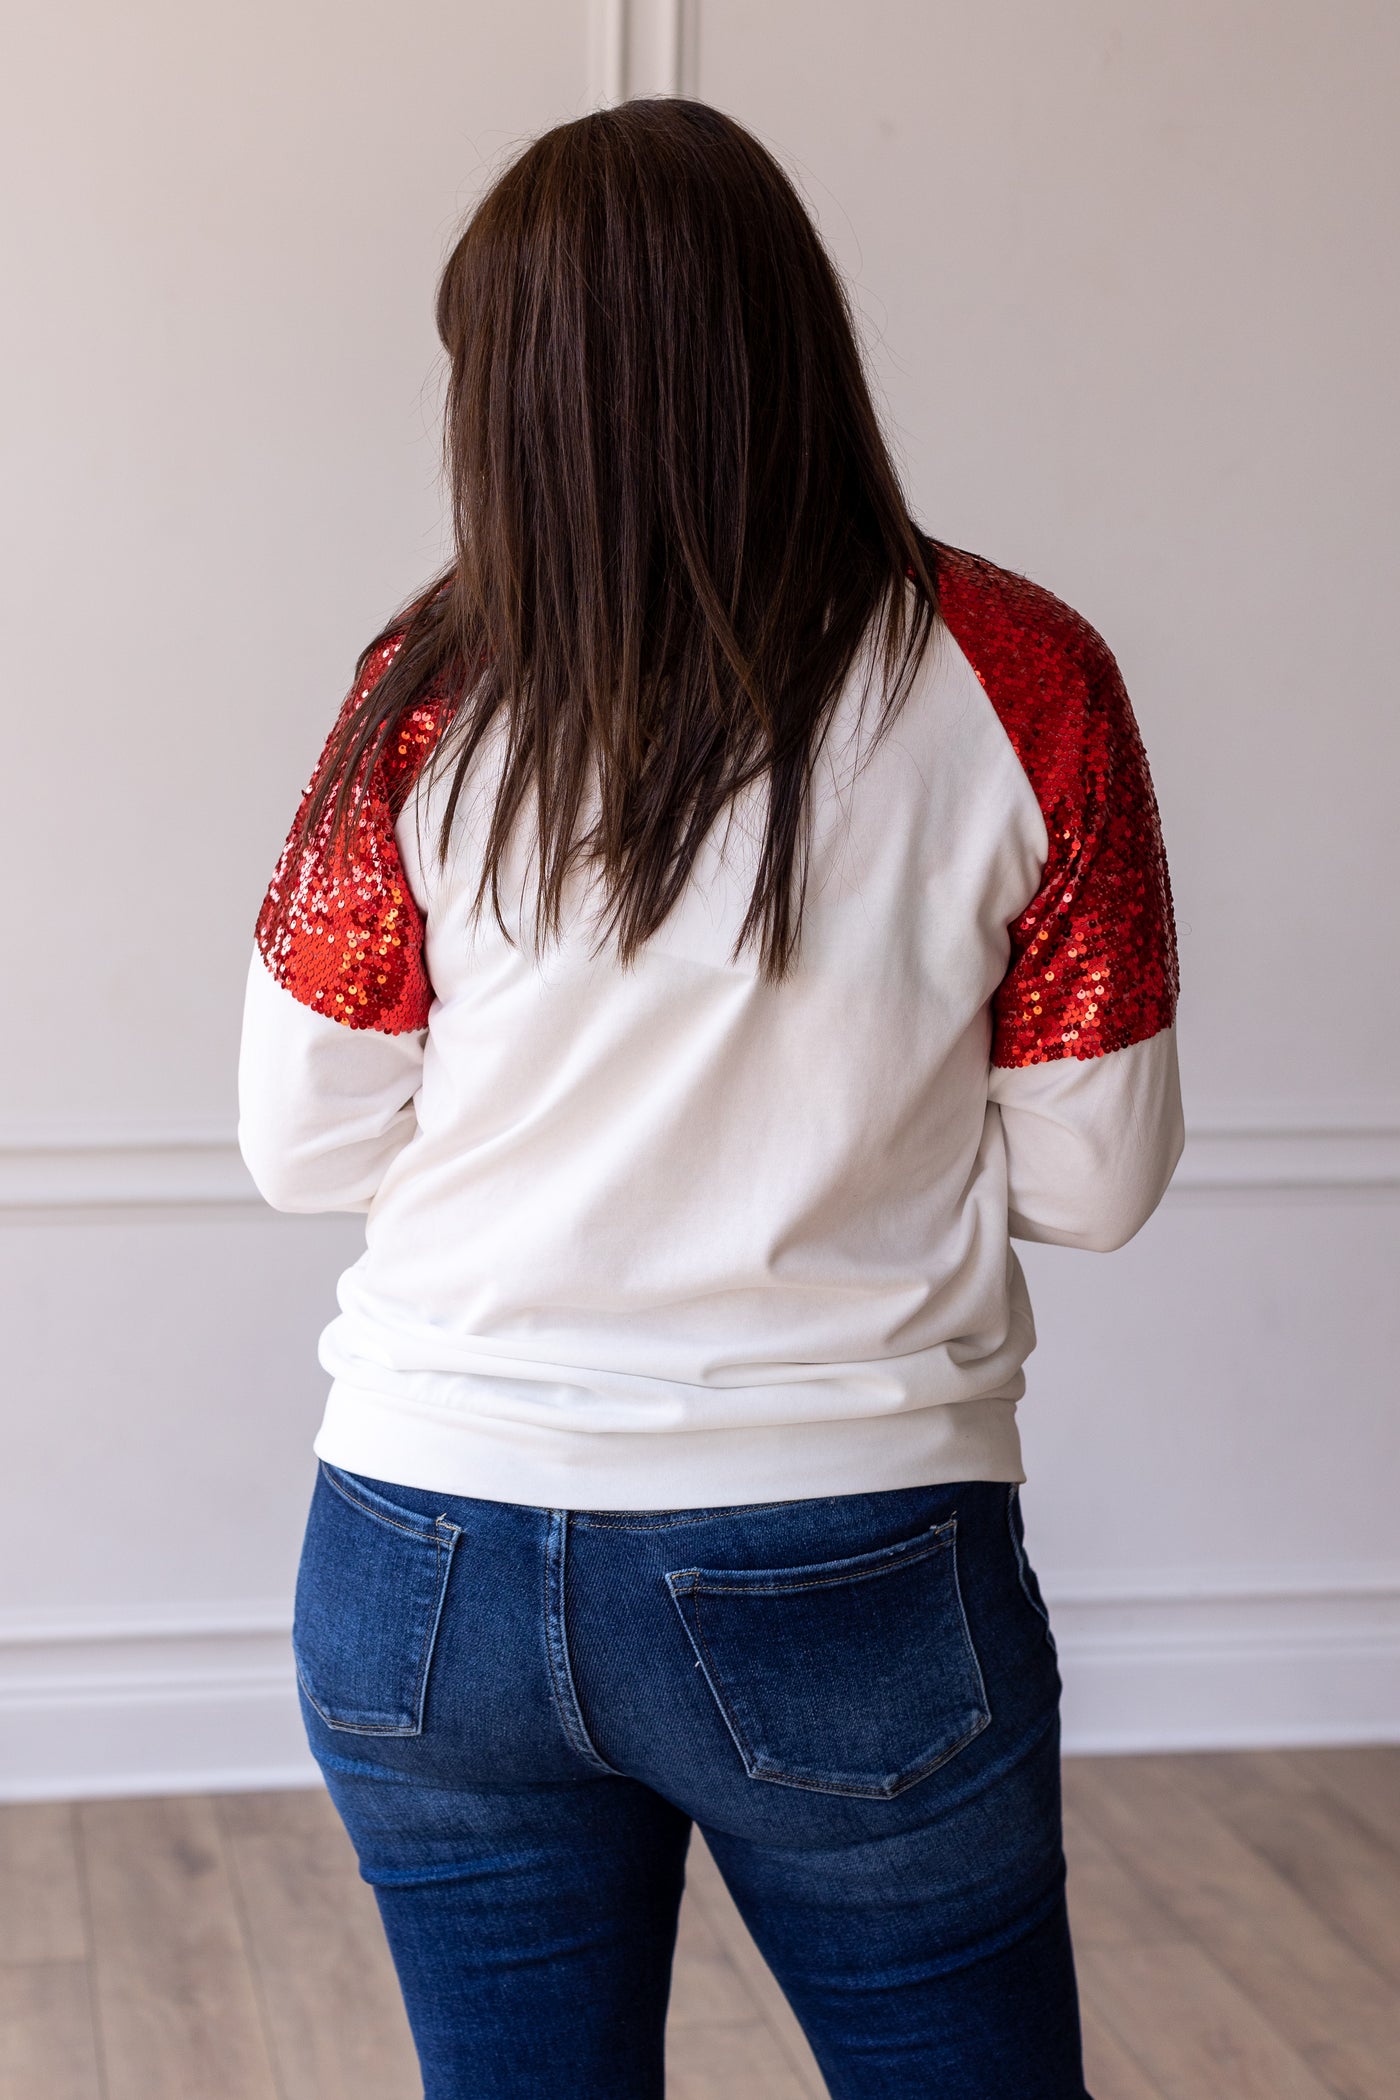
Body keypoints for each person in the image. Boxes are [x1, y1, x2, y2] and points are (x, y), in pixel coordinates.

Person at [237, 96, 1181, 2100]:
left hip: (423, 1554)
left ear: (502, 393)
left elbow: (301, 1141)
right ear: (799, 340)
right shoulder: (1017, 674)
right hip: (840, 1556)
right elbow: (1093, 1183)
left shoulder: (420, 687)